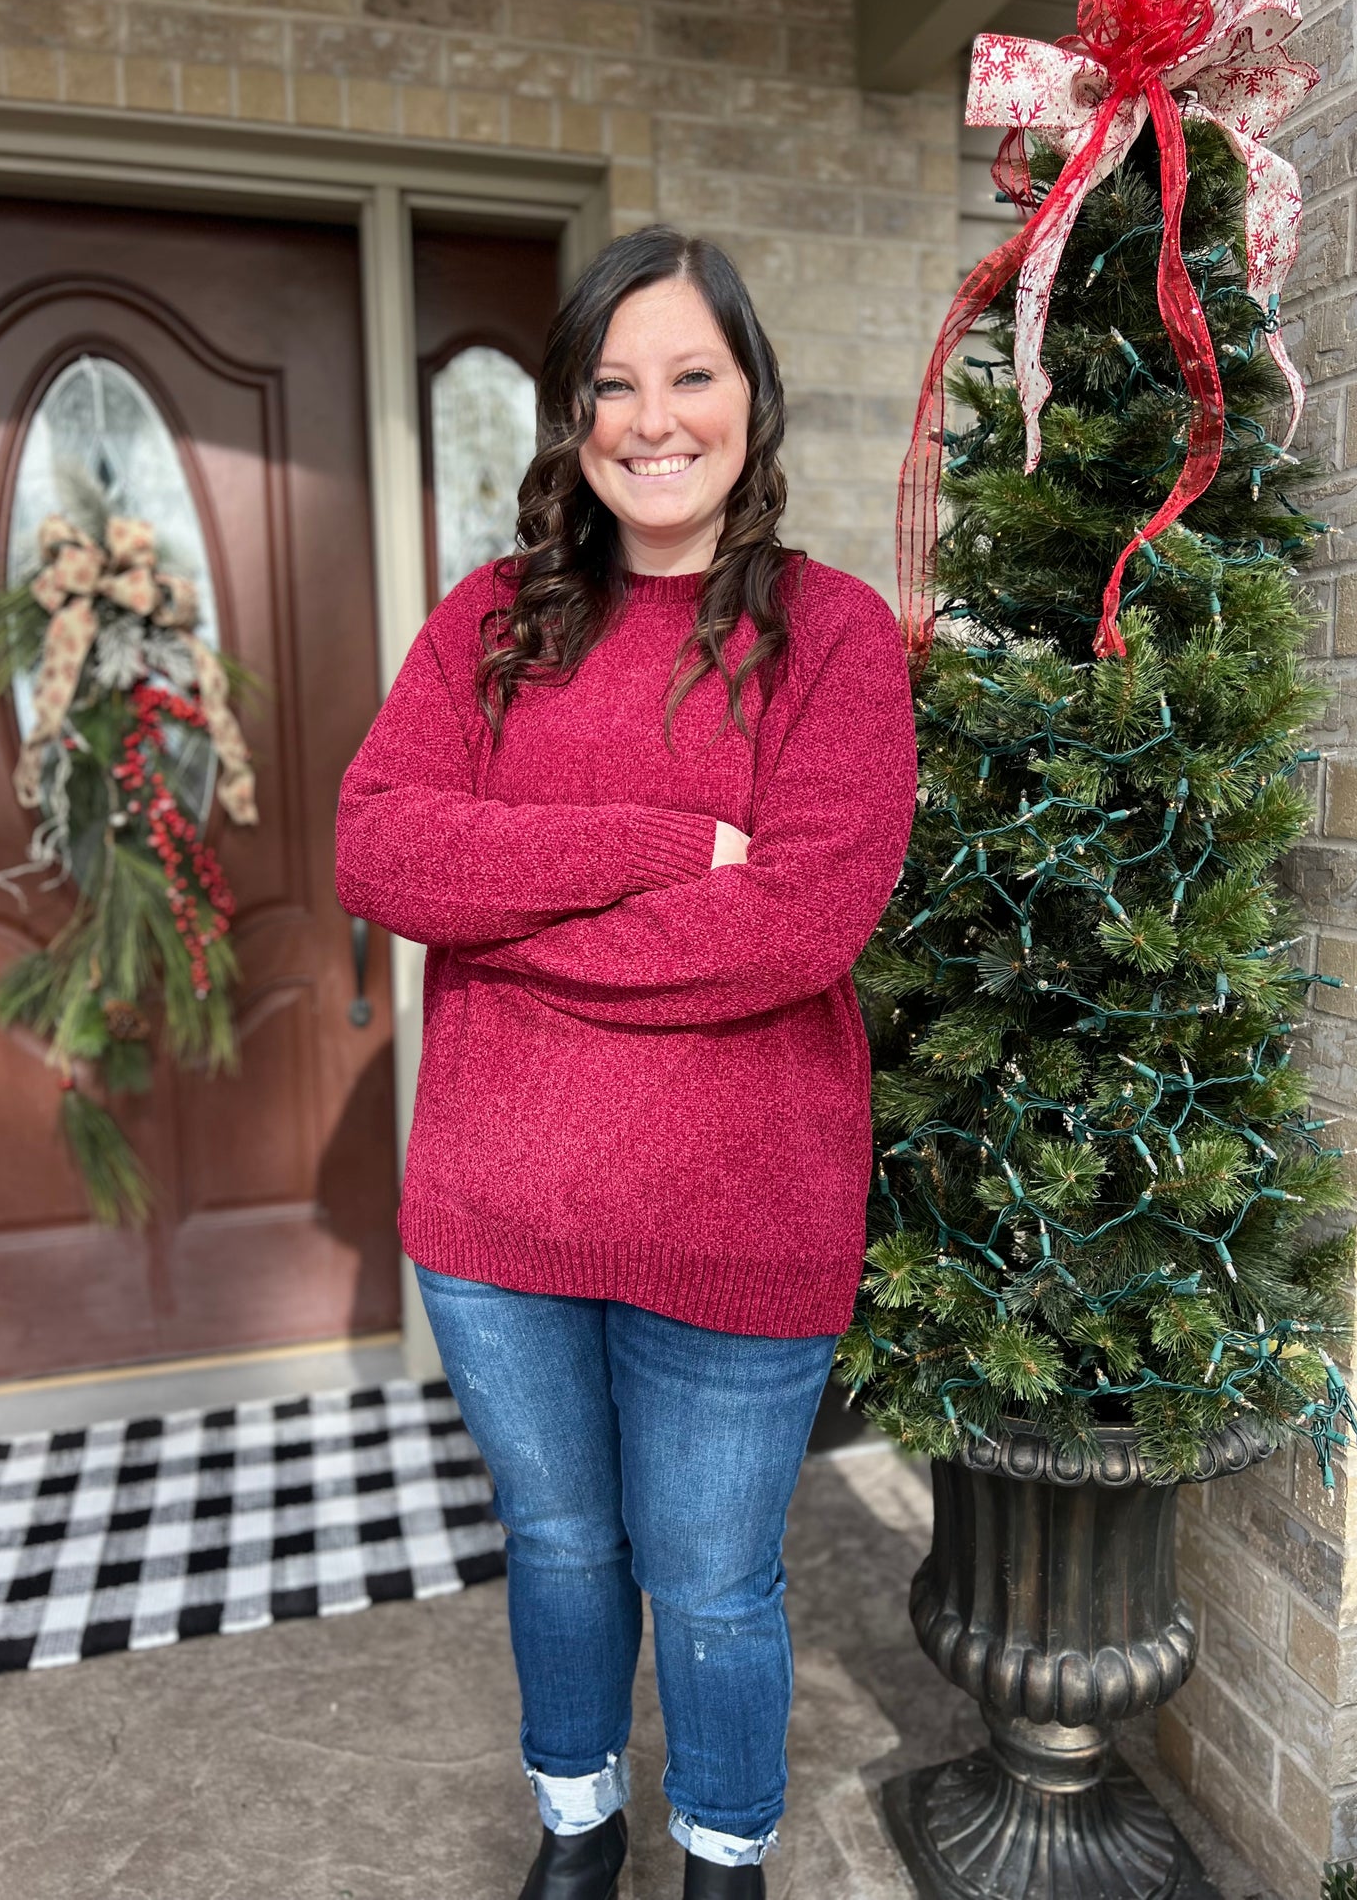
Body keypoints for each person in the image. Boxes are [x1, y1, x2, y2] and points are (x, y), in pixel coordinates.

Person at [335, 224, 918, 1900]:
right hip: (496, 1220)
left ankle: (721, 1861)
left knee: (716, 1581)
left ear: (750, 397)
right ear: (569, 416)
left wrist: (506, 934)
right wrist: (666, 845)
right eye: (611, 384)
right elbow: (381, 853)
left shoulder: (831, 637)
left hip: (740, 1231)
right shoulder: (488, 626)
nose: (650, 419)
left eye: (691, 375)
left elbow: (799, 927)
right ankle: (575, 1833)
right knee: (564, 1550)